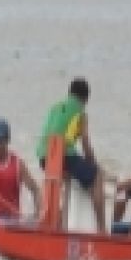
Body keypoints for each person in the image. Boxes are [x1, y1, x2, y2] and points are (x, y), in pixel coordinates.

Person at [36, 78, 106, 233]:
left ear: (69, 93)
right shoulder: (81, 112)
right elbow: (86, 143)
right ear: (85, 99)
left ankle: (61, 225)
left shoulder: (54, 107)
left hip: (43, 157)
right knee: (97, 176)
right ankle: (102, 229)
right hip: (63, 155)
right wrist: (93, 164)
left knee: (68, 177)